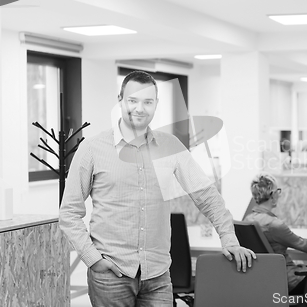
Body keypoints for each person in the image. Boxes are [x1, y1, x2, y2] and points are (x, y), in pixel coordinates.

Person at [59, 70, 255, 307]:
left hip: (158, 275)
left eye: (147, 102)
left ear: (156, 104)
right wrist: (93, 259)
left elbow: (206, 195)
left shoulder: (170, 146)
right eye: (132, 100)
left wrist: (229, 238)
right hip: (111, 274)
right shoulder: (92, 148)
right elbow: (69, 212)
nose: (139, 108)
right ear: (120, 99)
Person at [244, 173, 307, 307]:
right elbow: (303, 245)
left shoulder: (248, 220)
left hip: (266, 281)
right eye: (278, 191)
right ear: (272, 195)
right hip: (289, 281)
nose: (279, 194)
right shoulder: (275, 225)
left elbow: (292, 240)